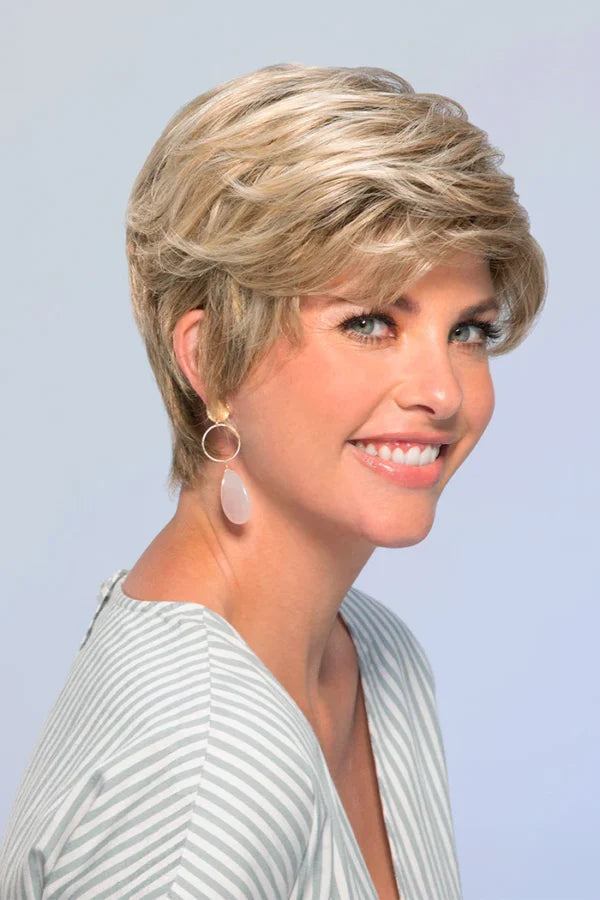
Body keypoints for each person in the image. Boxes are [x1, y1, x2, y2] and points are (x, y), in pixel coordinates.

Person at [0, 63, 546, 899]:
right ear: (213, 358)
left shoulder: (379, 657)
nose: (444, 393)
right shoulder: (202, 763)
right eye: (371, 322)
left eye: (468, 331)